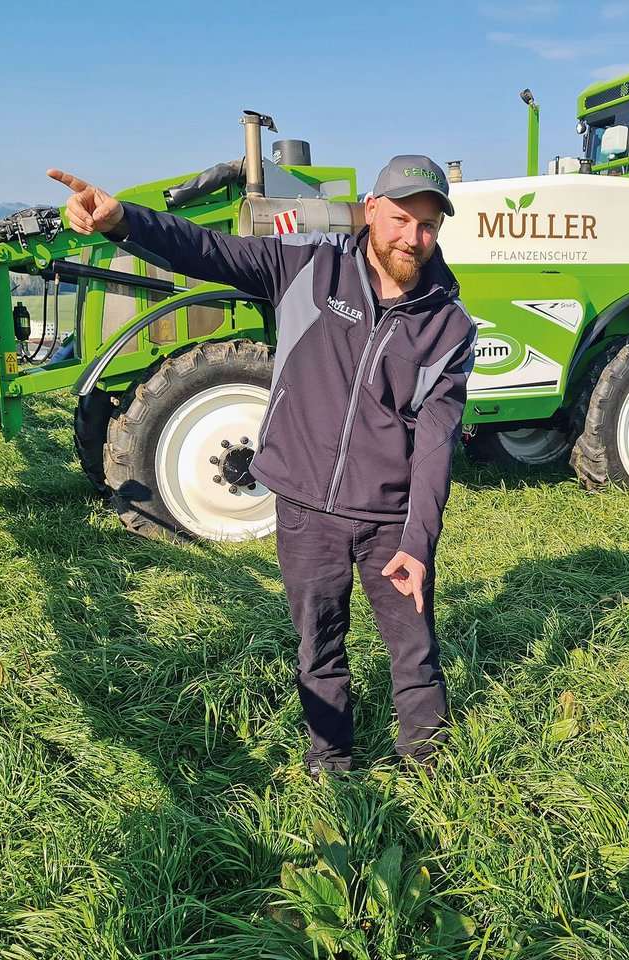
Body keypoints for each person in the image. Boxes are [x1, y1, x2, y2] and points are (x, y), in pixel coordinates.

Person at [48, 156, 476, 774]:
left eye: (428, 225)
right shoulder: (309, 268)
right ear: (373, 209)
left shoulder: (448, 325)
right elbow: (205, 250)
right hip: (305, 511)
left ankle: (429, 770)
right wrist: (123, 222)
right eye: (402, 218)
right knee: (319, 647)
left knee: (413, 652)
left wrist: (418, 541)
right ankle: (331, 765)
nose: (413, 237)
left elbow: (437, 439)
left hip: (390, 521)